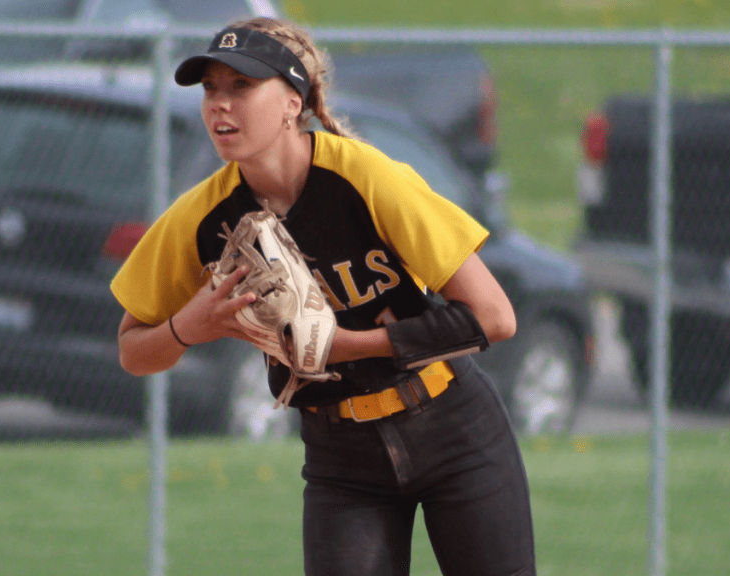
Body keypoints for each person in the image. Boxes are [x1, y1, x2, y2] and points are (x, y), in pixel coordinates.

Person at [110, 16, 536, 576]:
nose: (220, 104)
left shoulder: (365, 176)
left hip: (453, 430)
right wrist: (189, 326)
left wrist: (352, 345)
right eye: (210, 89)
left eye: (242, 86)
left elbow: (495, 317)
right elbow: (132, 350)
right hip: (343, 460)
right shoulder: (201, 219)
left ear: (293, 102)